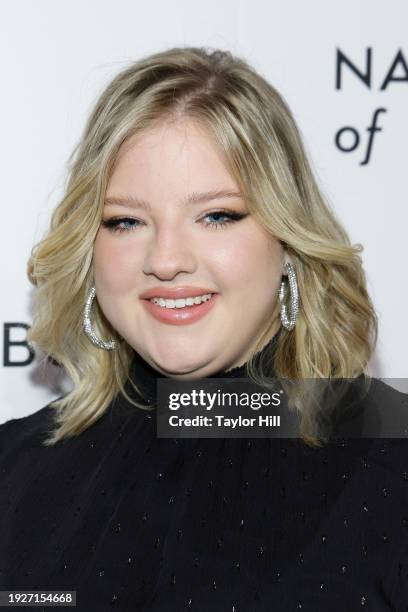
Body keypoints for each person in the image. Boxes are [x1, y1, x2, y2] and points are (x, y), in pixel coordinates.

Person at [0, 46, 407, 612]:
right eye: (126, 221)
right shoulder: (13, 470)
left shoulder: (391, 466)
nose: (166, 259)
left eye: (217, 215)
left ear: (288, 241)